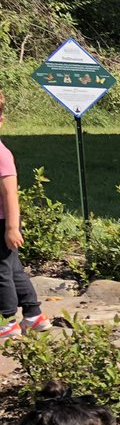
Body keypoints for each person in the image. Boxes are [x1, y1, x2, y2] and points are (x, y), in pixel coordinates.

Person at [0, 90, 51, 341]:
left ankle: (6, 320)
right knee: (14, 269)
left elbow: (10, 194)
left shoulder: (1, 155)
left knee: (1, 271)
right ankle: (33, 315)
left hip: (3, 222)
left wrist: (11, 227)